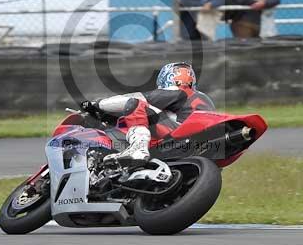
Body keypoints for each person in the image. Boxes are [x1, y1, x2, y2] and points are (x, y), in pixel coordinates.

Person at [81, 62, 215, 169]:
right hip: (204, 143)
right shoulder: (205, 98)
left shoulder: (177, 91)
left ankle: (138, 149)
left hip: (181, 134)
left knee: (135, 103)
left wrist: (97, 104)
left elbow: (138, 98)